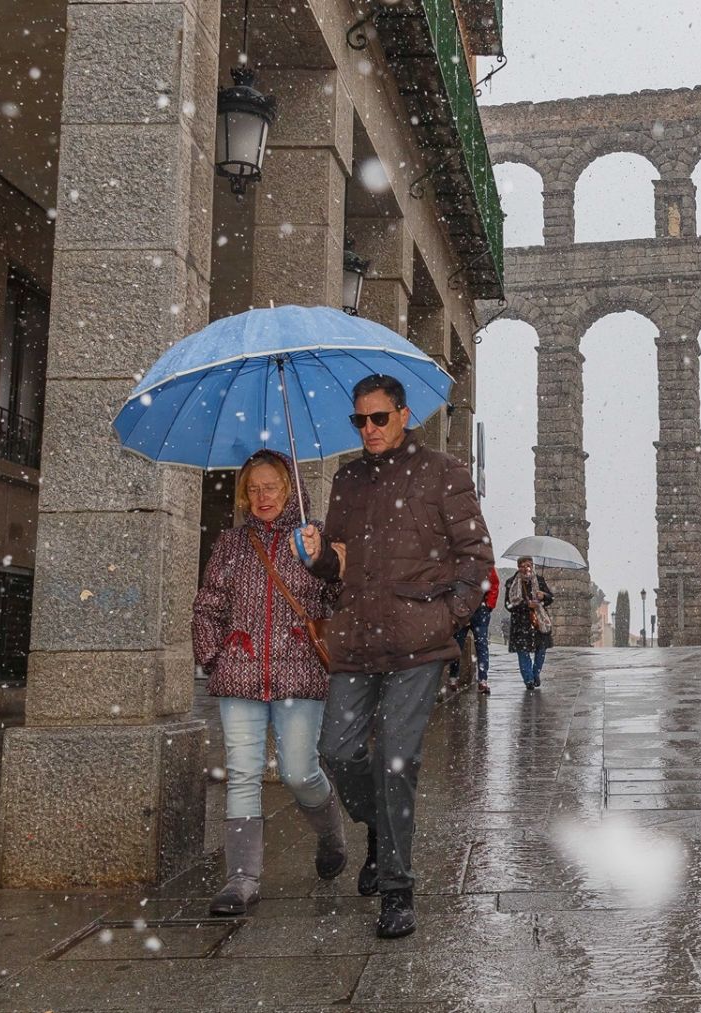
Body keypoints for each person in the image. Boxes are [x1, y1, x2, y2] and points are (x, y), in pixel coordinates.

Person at [300, 374, 493, 940]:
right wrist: (318, 556)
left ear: (404, 416)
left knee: (397, 761)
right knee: (336, 749)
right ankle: (380, 830)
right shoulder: (347, 479)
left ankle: (397, 888)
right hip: (357, 638)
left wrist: (449, 616)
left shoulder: (444, 473)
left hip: (419, 641)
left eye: (378, 418)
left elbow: (476, 556)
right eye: (359, 420)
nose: (368, 429)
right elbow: (338, 563)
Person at [193, 449, 347, 916]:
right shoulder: (231, 544)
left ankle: (330, 832)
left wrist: (321, 557)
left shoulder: (313, 537)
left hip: (299, 671)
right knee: (243, 773)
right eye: (253, 489)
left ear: (290, 490)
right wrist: (214, 656)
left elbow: (340, 595)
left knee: (299, 773)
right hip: (240, 671)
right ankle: (241, 879)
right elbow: (208, 605)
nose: (263, 497)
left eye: (272, 487)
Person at [505, 558, 554, 688]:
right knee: (523, 652)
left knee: (541, 650)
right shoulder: (511, 583)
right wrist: (526, 605)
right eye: (522, 566)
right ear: (518, 567)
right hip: (520, 623)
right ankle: (529, 680)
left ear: (532, 566)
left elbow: (550, 598)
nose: (526, 568)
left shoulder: (539, 580)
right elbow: (508, 605)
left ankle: (535, 673)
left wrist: (544, 596)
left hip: (538, 622)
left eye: (528, 565)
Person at [450, 565, 499, 694]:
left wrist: (489, 605)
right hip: (462, 609)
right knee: (457, 644)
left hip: (480, 610)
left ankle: (482, 680)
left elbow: (494, 584)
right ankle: (453, 677)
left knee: (481, 645)